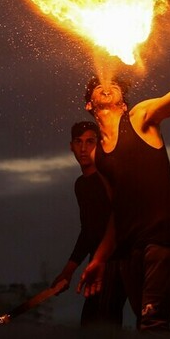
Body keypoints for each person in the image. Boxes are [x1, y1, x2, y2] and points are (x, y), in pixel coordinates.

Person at [77, 26, 170, 332]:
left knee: (153, 325)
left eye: (115, 85)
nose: (107, 85)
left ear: (123, 102)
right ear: (90, 104)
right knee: (144, 328)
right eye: (99, 86)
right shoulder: (98, 155)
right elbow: (117, 211)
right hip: (130, 247)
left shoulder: (139, 118)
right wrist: (100, 259)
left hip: (162, 237)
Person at [51, 121, 126, 327]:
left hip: (117, 261)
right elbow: (88, 231)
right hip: (97, 263)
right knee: (92, 325)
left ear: (99, 144)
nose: (83, 148)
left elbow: (121, 218)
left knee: (102, 327)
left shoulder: (107, 177)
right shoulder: (81, 184)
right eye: (79, 142)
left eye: (90, 142)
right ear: (71, 146)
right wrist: (68, 271)